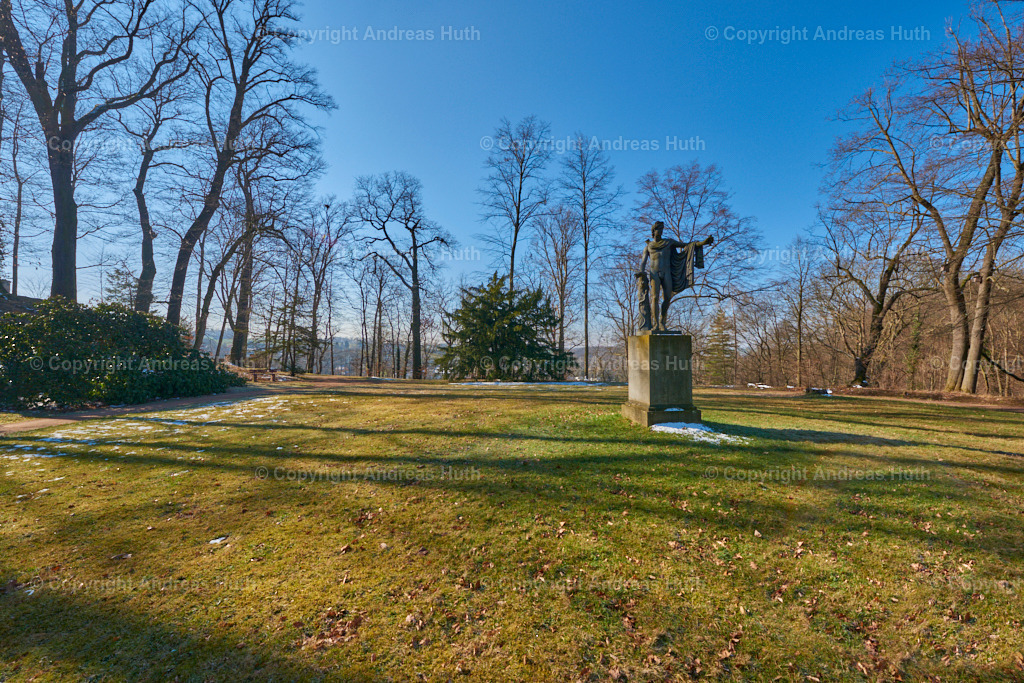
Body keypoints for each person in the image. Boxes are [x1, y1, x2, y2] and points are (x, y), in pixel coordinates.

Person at [637, 221, 713, 332]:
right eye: (659, 229)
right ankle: (656, 324)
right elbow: (643, 262)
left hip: (667, 273)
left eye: (662, 229)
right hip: (654, 274)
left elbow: (688, 245)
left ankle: (662, 322)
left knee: (667, 297)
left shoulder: (669, 242)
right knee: (655, 298)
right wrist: (641, 272)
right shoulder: (648, 246)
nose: (661, 231)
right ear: (653, 231)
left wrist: (703, 243)